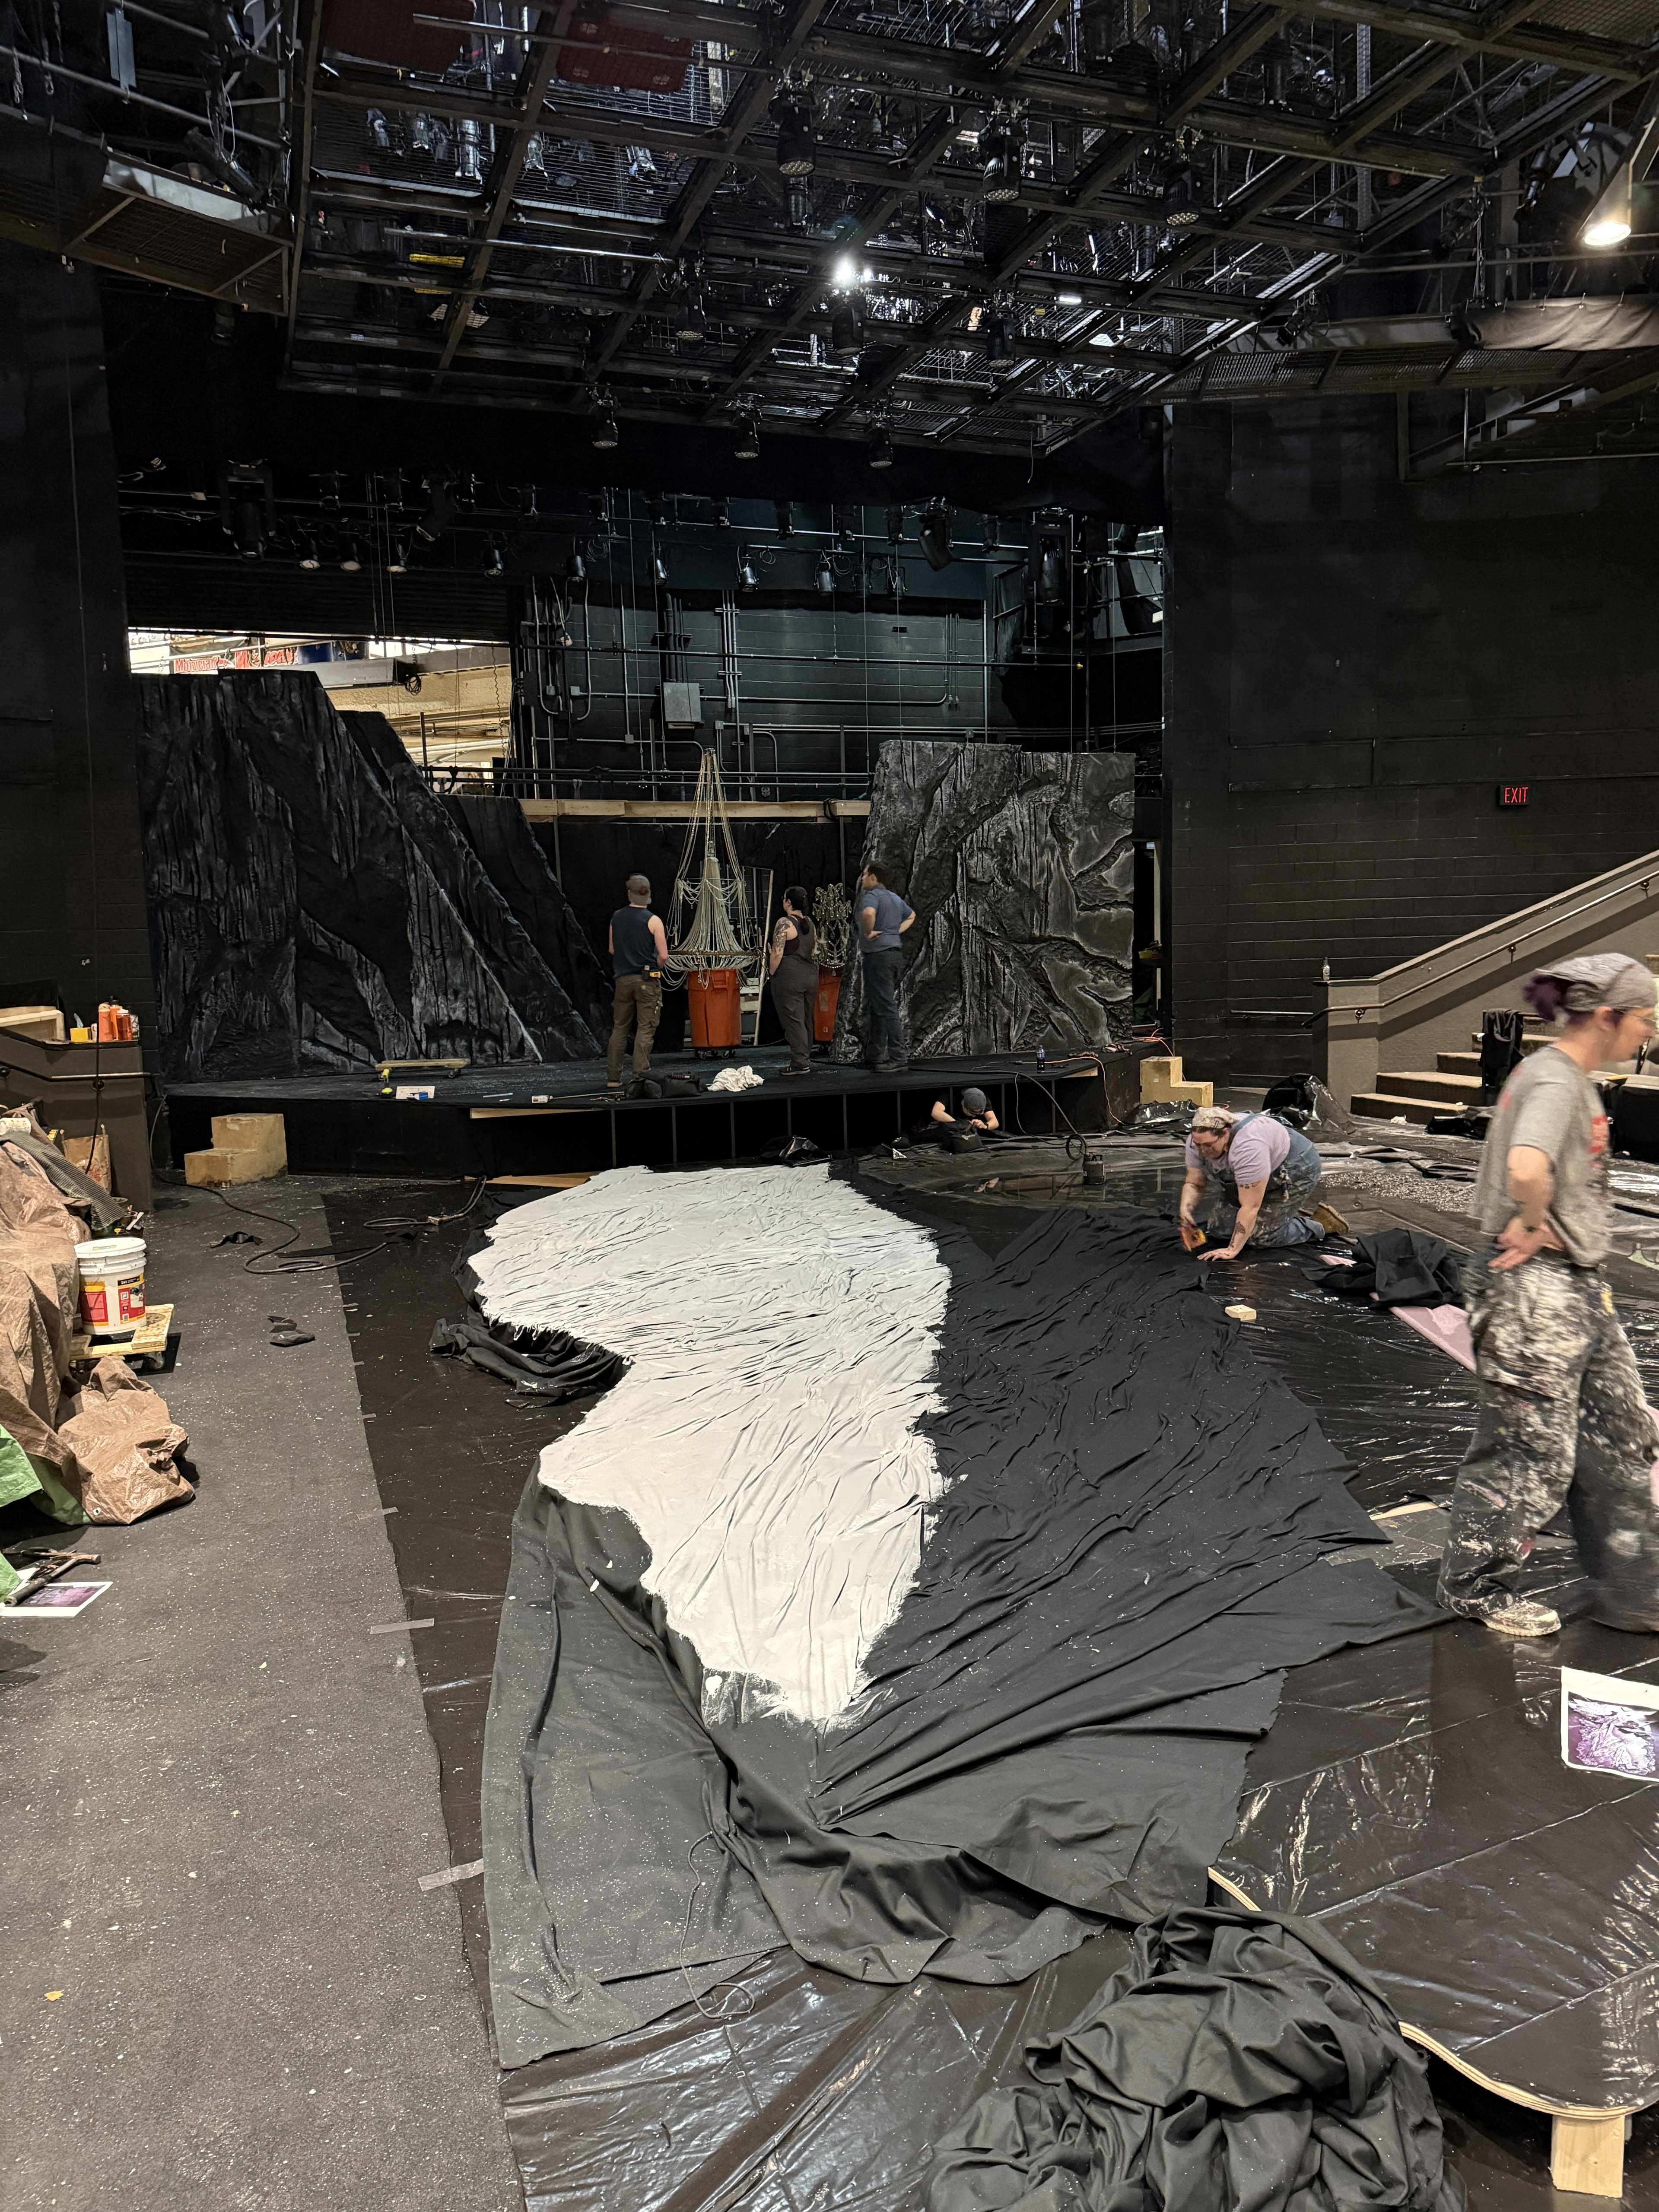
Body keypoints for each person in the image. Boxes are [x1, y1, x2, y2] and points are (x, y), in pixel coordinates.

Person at [1437, 954, 1659, 1640]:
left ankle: (1637, 1588)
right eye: (1644, 1018)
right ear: (1607, 1015)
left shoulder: (1569, 1077)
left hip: (1576, 1287)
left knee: (1625, 1430)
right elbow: (1525, 1165)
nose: (1647, 1032)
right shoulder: (1556, 1079)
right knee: (1529, 1450)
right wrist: (1534, 1223)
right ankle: (1473, 1584)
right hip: (1533, 1292)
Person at [1177, 1104, 1335, 1259]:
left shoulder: (1248, 1147)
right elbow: (1194, 1183)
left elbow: (1251, 1206)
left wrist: (1231, 1250)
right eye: (1198, 1145)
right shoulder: (1198, 1140)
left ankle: (1319, 1225)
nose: (1202, 1151)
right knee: (1220, 1230)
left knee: (1261, 1237)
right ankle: (1278, 1213)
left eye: (1208, 1146)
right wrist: (1186, 1211)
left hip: (1295, 1168)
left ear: (1225, 1133)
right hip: (1253, 1176)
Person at [606, 873, 669, 1090]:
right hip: (647, 980)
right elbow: (664, 955)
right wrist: (656, 965)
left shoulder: (616, 917)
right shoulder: (654, 920)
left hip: (622, 981)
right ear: (648, 894)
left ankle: (613, 1078)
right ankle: (640, 1075)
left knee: (620, 1028)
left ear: (629, 894)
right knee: (645, 1028)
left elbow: (612, 949)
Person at [856, 862, 914, 1073]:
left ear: (873, 878)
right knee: (879, 1006)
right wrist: (896, 931)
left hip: (878, 957)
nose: (862, 879)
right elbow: (912, 916)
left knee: (886, 1007)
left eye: (865, 875)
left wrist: (869, 933)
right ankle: (875, 1056)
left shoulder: (872, 896)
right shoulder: (895, 898)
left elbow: (868, 914)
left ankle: (898, 1057)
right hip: (894, 956)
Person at [768, 886, 818, 1076]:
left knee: (793, 1021)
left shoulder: (784, 923)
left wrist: (771, 972)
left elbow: (778, 952)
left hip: (790, 977)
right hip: (810, 975)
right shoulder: (810, 923)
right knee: (806, 1020)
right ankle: (805, 1057)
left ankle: (800, 1062)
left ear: (788, 902)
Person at [931, 1087, 998, 1135]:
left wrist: (985, 1125)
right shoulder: (951, 1094)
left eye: (977, 1113)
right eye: (971, 1113)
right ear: (963, 1103)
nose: (974, 1116)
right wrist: (960, 1125)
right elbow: (936, 1112)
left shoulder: (982, 1097)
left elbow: (995, 1122)